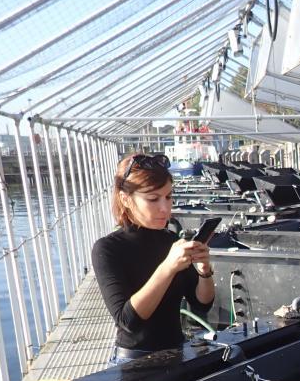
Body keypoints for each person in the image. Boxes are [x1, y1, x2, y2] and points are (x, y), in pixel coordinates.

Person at [92, 153, 215, 364]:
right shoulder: (108, 248)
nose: (165, 208)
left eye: (168, 197)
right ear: (125, 199)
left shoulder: (171, 240)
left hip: (178, 352)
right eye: (153, 199)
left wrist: (205, 270)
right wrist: (168, 268)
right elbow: (128, 321)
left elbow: (201, 305)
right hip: (134, 361)